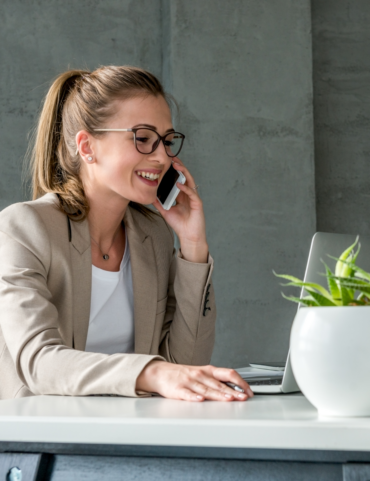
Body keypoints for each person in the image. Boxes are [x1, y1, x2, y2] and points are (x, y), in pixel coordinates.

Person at [0, 66, 253, 402]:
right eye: (143, 138)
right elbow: (38, 363)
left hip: (130, 434)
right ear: (87, 147)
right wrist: (151, 372)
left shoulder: (153, 236)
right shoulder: (23, 228)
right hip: (40, 442)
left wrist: (193, 245)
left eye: (166, 141)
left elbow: (186, 365)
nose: (162, 156)